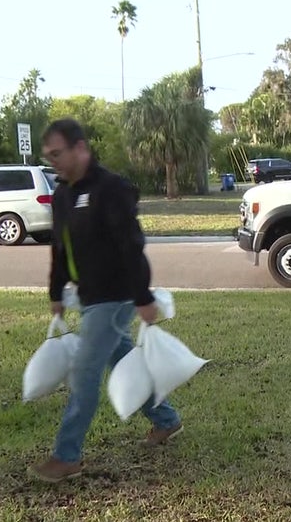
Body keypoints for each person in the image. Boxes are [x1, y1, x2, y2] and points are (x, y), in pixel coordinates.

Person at [28, 118, 183, 483]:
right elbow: (60, 245)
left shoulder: (111, 188)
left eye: (58, 153)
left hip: (116, 295)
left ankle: (67, 456)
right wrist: (56, 292)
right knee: (121, 357)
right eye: (48, 155)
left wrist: (142, 296)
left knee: (84, 371)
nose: (53, 161)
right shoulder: (63, 193)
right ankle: (166, 420)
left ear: (80, 148)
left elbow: (131, 245)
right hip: (89, 295)